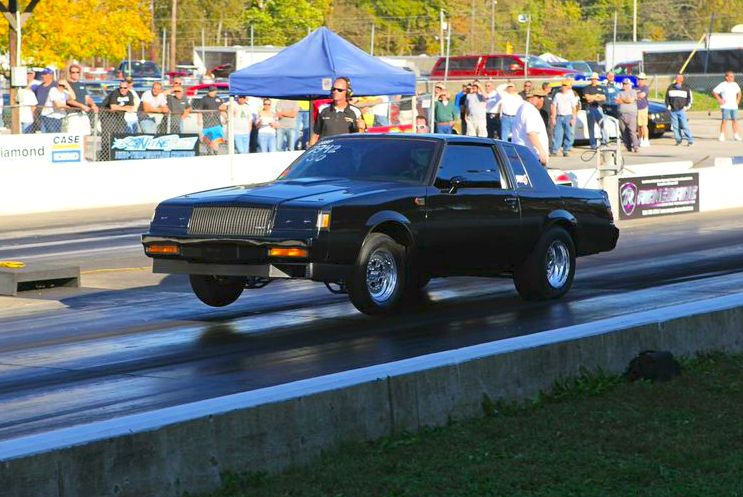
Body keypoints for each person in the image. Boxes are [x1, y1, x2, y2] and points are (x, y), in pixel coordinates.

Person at [309, 77, 366, 146]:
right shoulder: (323, 109)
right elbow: (316, 134)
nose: (335, 92)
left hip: (346, 150)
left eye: (339, 90)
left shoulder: (356, 111)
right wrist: (310, 149)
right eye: (333, 89)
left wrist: (361, 128)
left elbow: (361, 138)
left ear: (347, 92)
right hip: (326, 150)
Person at [512, 89, 550, 166]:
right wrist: (541, 151)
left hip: (523, 153)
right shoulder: (530, 110)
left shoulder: (523, 107)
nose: (542, 100)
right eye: (540, 97)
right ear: (533, 98)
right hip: (531, 156)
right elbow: (531, 133)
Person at [100, 81, 136, 159]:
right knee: (107, 136)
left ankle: (115, 155)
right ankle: (104, 155)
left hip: (119, 116)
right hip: (107, 115)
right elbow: (113, 107)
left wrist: (119, 108)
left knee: (119, 135)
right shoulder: (115, 93)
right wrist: (125, 108)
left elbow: (131, 108)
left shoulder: (130, 94)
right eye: (121, 87)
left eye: (125, 88)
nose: (122, 89)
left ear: (128, 88)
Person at [193, 85, 227, 154]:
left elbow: (222, 110)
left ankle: (215, 153)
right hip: (207, 123)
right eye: (210, 91)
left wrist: (226, 118)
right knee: (208, 140)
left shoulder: (218, 99)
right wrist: (199, 119)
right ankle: (209, 152)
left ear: (216, 91)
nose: (211, 93)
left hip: (217, 123)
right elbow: (200, 110)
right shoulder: (204, 99)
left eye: (213, 91)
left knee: (217, 140)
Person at [66, 63, 98, 135]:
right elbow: (69, 100)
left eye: (77, 72)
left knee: (85, 134)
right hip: (72, 114)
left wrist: (93, 105)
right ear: (70, 73)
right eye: (73, 72)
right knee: (73, 135)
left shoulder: (81, 85)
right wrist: (82, 106)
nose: (75, 74)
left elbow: (87, 98)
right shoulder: (66, 85)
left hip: (83, 113)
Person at [550, 80, 578, 157]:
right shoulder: (557, 95)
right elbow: (554, 106)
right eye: (563, 85)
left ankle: (566, 150)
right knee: (557, 134)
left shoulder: (571, 95)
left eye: (565, 85)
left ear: (568, 87)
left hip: (568, 116)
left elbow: (574, 107)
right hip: (559, 116)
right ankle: (555, 150)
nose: (564, 87)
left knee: (569, 134)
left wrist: (573, 118)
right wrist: (553, 117)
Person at [665, 73, 694, 146]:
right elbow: (667, 98)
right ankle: (678, 140)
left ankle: (690, 140)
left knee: (684, 125)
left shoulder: (686, 88)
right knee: (675, 126)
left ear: (682, 79)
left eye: (679, 78)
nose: (678, 79)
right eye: (677, 78)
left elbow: (690, 99)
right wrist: (668, 106)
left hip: (682, 110)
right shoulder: (670, 87)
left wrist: (686, 107)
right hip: (673, 110)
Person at [712, 71, 741, 141]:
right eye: (731, 76)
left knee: (734, 120)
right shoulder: (723, 84)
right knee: (724, 120)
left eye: (733, 76)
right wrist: (719, 99)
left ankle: (736, 135)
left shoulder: (735, 84)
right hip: (725, 106)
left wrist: (738, 100)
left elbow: (739, 93)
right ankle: (722, 135)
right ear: (726, 77)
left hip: (734, 106)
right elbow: (714, 92)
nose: (732, 78)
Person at [583, 72, 607, 149]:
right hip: (590, 108)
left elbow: (603, 98)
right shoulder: (587, 88)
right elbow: (588, 98)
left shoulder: (600, 87)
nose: (594, 80)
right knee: (591, 126)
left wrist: (593, 97)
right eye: (593, 79)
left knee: (602, 124)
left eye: (595, 79)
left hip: (598, 107)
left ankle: (604, 140)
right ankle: (592, 144)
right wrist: (597, 96)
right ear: (591, 79)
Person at [617, 79, 640, 152]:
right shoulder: (620, 92)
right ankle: (628, 146)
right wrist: (625, 100)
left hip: (631, 114)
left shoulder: (633, 91)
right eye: (624, 84)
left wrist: (623, 100)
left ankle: (636, 146)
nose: (625, 85)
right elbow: (617, 101)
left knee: (632, 131)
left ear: (629, 85)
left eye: (626, 84)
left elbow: (630, 100)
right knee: (623, 131)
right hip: (621, 114)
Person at [33, 68, 56, 132]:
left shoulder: (56, 85)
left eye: (45, 74)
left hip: (52, 115)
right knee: (43, 133)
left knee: (52, 133)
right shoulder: (39, 87)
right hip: (41, 115)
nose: (43, 76)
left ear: (51, 75)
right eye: (42, 74)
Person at [635, 73, 651, 147]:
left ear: (644, 80)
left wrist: (636, 96)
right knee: (639, 125)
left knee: (644, 125)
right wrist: (636, 96)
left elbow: (642, 95)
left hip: (643, 108)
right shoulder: (635, 88)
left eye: (642, 79)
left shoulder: (645, 88)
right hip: (636, 108)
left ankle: (646, 140)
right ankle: (640, 139)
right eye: (639, 79)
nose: (640, 80)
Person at [540, 82, 554, 150]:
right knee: (543, 133)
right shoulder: (541, 96)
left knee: (550, 133)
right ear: (545, 88)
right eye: (549, 87)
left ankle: (550, 148)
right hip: (542, 117)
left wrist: (553, 116)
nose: (551, 88)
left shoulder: (550, 96)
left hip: (549, 117)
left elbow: (552, 106)